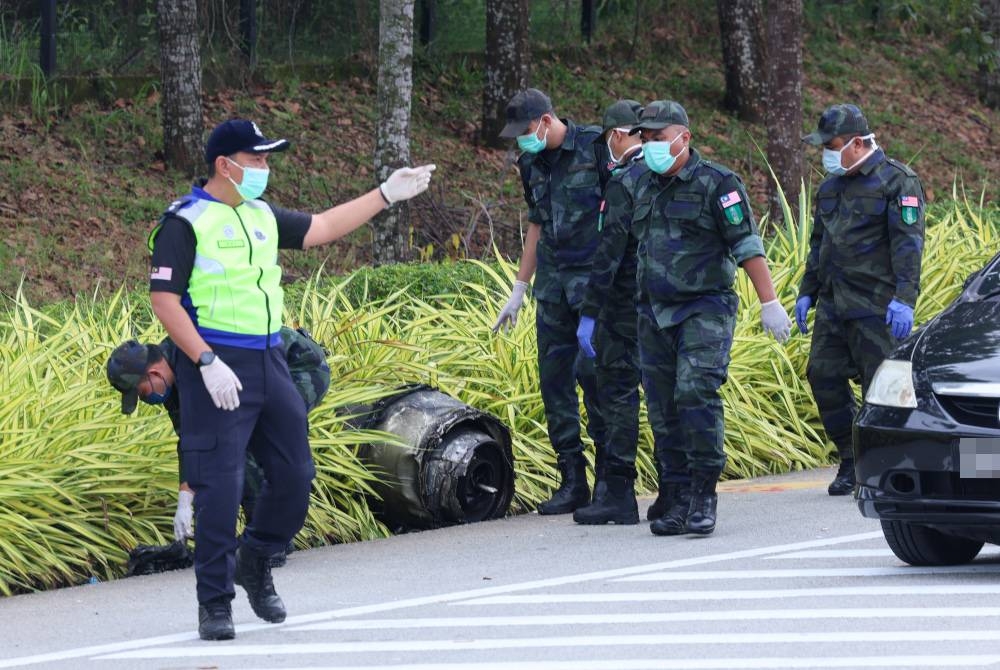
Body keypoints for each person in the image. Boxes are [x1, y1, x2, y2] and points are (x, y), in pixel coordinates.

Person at [146, 118, 434, 640]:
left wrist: (386, 194)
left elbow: (321, 227)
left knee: (296, 476)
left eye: (264, 160)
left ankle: (255, 560)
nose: (264, 169)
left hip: (269, 356)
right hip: (216, 361)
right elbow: (164, 300)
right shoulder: (185, 223)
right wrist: (206, 361)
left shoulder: (259, 213)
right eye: (255, 160)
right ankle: (215, 604)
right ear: (224, 165)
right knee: (221, 488)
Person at [629, 100, 791, 537]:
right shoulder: (641, 185)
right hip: (654, 313)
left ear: (684, 137)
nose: (650, 147)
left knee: (695, 392)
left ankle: (703, 492)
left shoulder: (717, 184)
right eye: (644, 139)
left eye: (658, 139)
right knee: (662, 408)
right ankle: (677, 493)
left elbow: (746, 244)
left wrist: (768, 301)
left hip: (704, 308)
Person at [105, 325, 331, 557]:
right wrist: (185, 502)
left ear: (153, 374)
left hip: (298, 365)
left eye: (142, 393)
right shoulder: (172, 382)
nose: (145, 399)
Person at [797, 103, 925, 496]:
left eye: (831, 145)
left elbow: (909, 245)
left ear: (856, 143)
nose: (825, 153)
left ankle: (891, 469)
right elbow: (819, 243)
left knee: (883, 388)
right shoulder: (830, 187)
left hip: (877, 308)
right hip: (835, 305)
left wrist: (904, 298)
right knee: (823, 376)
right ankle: (851, 460)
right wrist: (807, 291)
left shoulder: (897, 182)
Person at [492, 88, 610, 516]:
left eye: (525, 132)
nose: (522, 141)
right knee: (554, 381)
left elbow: (618, 216)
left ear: (546, 120)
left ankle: (609, 479)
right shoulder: (531, 163)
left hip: (594, 287)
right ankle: (572, 479)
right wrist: (520, 288)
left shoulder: (597, 148)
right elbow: (537, 223)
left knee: (595, 377)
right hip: (553, 290)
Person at [572, 99, 648, 525]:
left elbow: (609, 254)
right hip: (659, 301)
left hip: (623, 307)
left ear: (616, 136)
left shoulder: (623, 181)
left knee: (618, 395)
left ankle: (618, 492)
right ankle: (679, 492)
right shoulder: (661, 172)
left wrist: (590, 312)